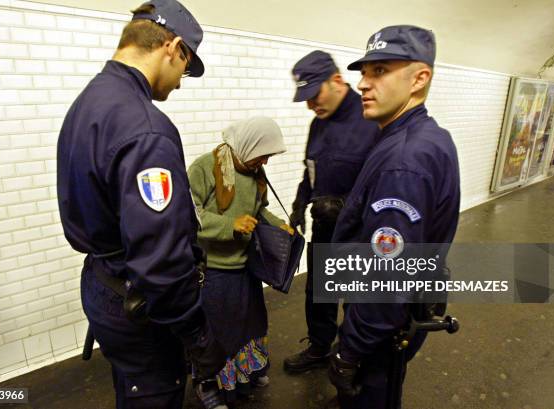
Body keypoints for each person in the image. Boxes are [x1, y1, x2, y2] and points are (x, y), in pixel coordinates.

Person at [56, 1, 226, 408]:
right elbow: (161, 261)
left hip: (101, 280)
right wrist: (197, 334)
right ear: (173, 47)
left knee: (130, 385)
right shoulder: (146, 128)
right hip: (137, 300)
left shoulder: (88, 103)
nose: (180, 83)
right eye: (185, 69)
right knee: (153, 391)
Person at [328, 25, 461, 408]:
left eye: (380, 71)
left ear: (419, 79)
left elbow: (387, 277)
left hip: (382, 327)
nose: (363, 84)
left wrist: (349, 351)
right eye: (364, 73)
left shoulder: (403, 160)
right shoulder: (429, 136)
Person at [284, 51, 380, 373]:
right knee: (319, 293)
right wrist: (300, 203)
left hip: (360, 234)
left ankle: (352, 358)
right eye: (306, 99)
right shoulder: (318, 125)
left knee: (356, 299)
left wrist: (344, 206)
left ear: (337, 80)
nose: (312, 105)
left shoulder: (372, 120)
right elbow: (309, 171)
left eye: (315, 95)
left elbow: (383, 183)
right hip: (324, 227)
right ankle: (319, 347)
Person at [188, 117, 294, 408]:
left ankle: (248, 370)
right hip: (214, 271)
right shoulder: (204, 168)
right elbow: (188, 216)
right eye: (264, 155)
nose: (266, 163)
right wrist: (229, 225)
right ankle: (209, 384)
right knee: (218, 332)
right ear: (249, 146)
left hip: (245, 267)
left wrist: (279, 226)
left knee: (250, 324)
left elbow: (259, 212)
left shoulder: (255, 171)